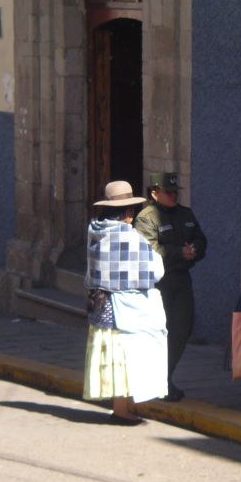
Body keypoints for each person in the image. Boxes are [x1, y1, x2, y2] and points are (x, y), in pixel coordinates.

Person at [83, 180, 169, 425]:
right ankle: (121, 410)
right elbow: (155, 270)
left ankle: (121, 406)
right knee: (124, 357)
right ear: (128, 212)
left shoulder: (95, 232)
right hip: (125, 309)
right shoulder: (129, 238)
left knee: (112, 357)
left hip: (101, 305)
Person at [134, 172, 207, 402]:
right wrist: (178, 252)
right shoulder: (147, 218)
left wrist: (195, 249)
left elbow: (200, 238)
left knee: (182, 328)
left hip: (181, 280)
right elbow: (148, 250)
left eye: (176, 192)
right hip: (158, 283)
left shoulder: (185, 213)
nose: (174, 196)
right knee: (157, 332)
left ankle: (165, 376)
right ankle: (156, 380)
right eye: (169, 192)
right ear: (155, 193)